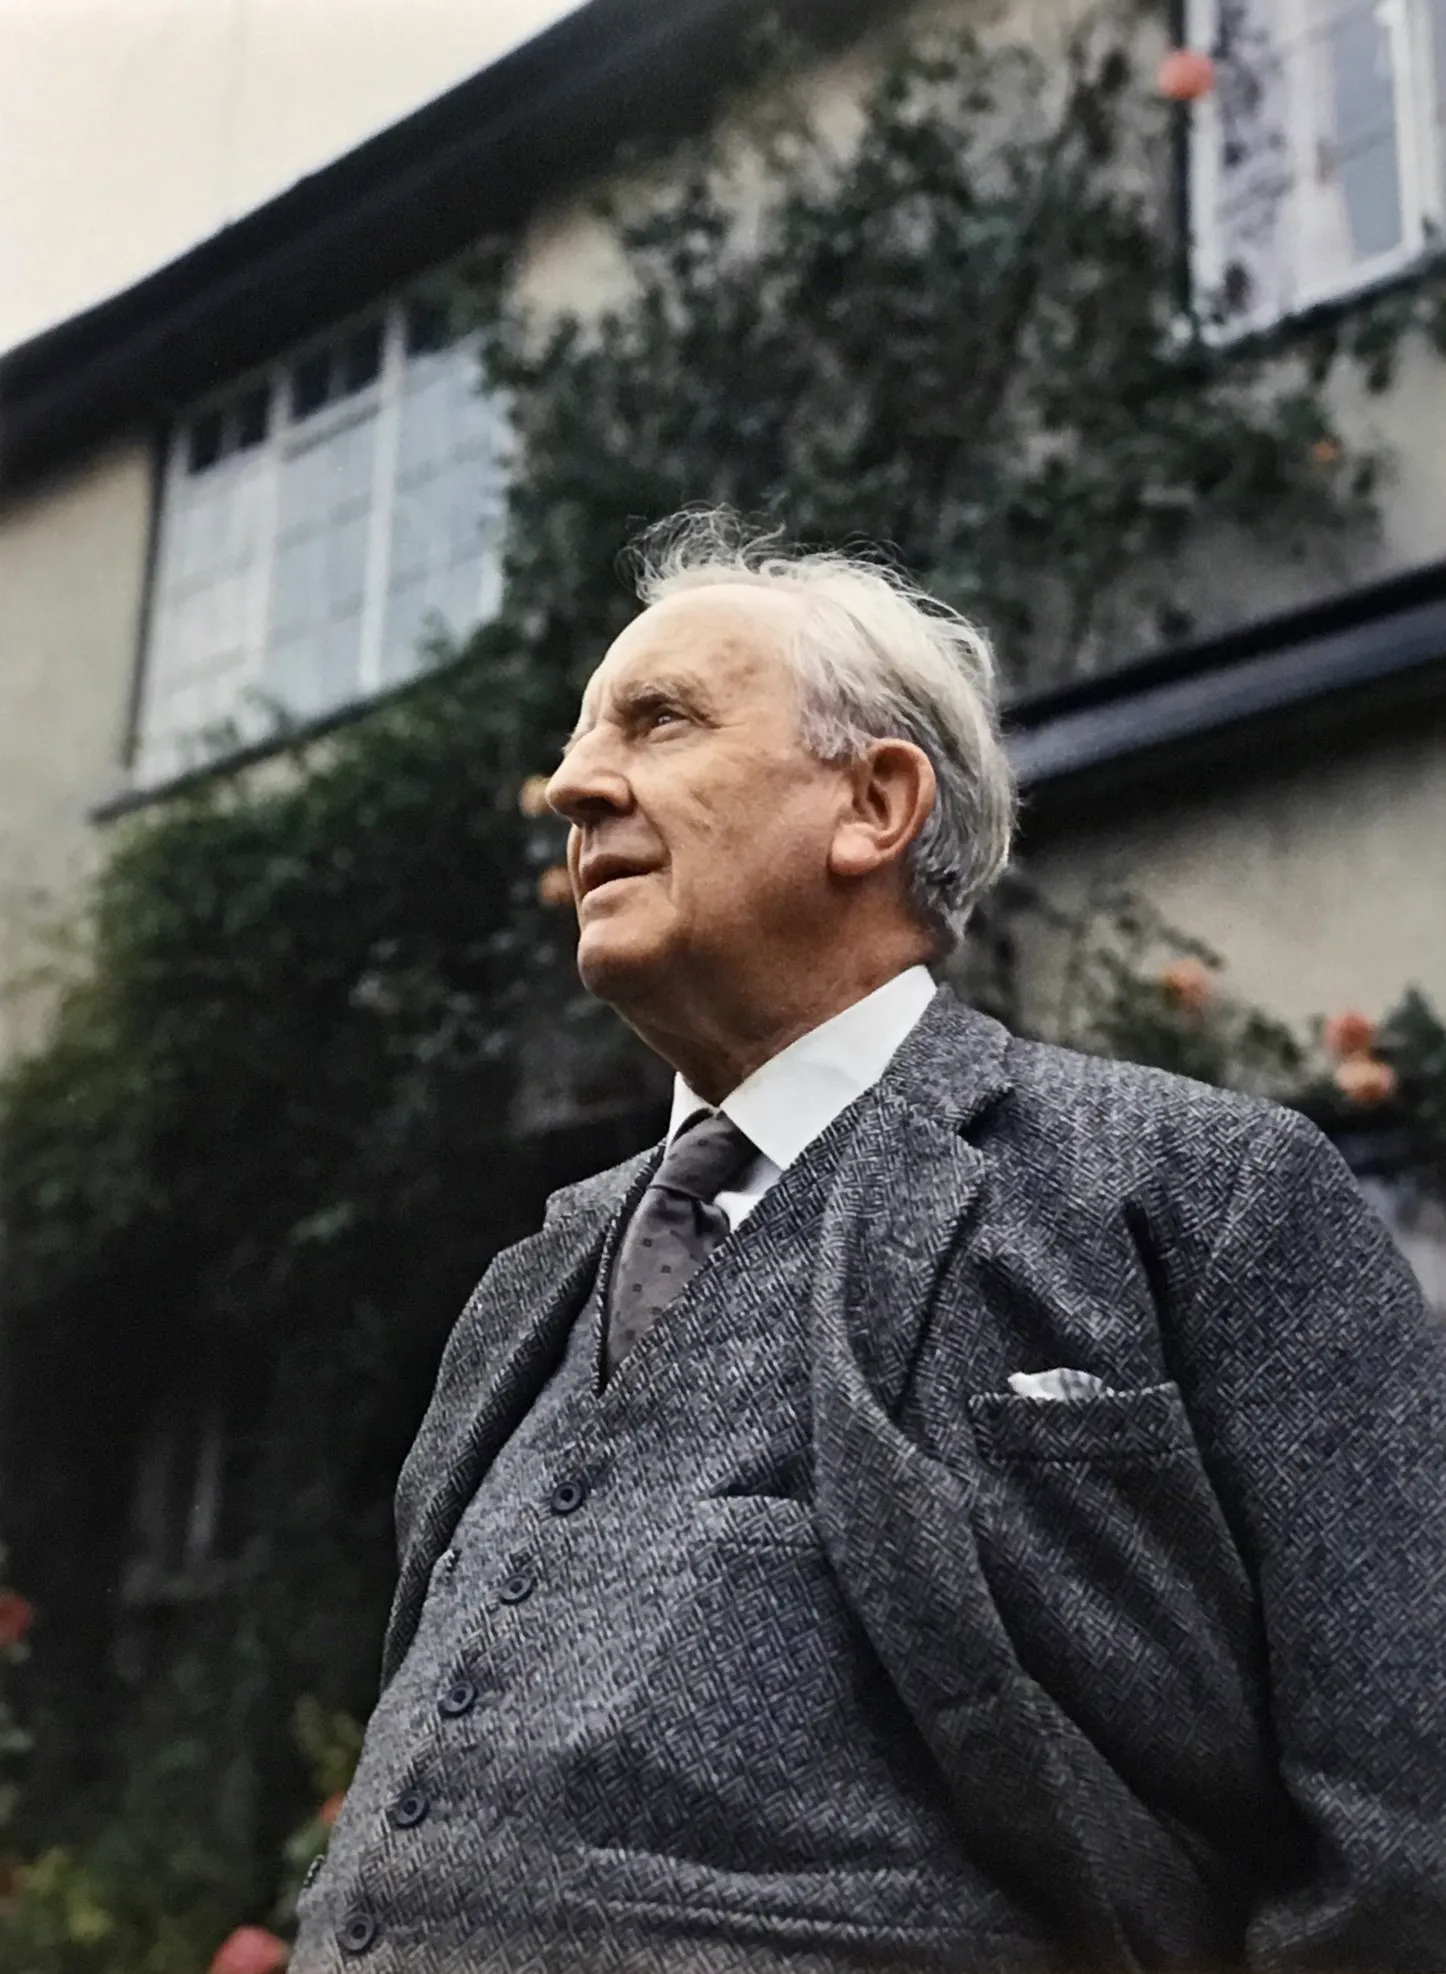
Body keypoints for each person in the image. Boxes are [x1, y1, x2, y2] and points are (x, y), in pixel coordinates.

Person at [293, 514, 1446, 1974]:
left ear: (874, 803)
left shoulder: (1201, 1192)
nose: (574, 786)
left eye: (658, 723)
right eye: (583, 741)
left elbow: (1409, 1830)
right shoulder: (525, 1284)